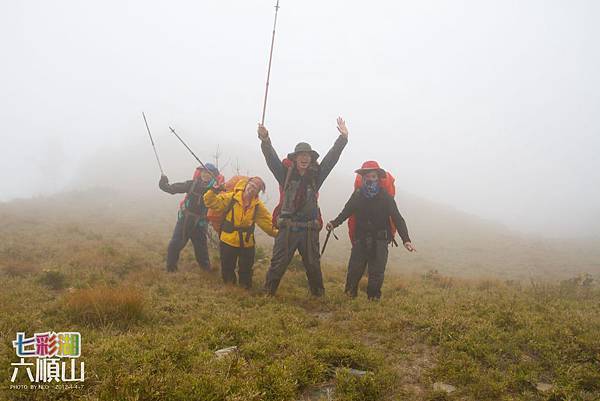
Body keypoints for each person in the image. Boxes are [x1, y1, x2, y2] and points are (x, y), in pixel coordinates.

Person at [257, 117, 349, 296]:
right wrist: (265, 140)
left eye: (308, 156)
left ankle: (318, 297)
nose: (305, 158)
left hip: (309, 229)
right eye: (301, 155)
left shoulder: (317, 176)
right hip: (288, 228)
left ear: (311, 159)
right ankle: (267, 294)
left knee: (313, 265)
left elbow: (331, 159)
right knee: (278, 264)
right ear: (295, 158)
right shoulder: (285, 174)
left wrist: (342, 139)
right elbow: (271, 158)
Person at [326, 161, 416, 300]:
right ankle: (349, 296)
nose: (370, 179)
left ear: (378, 178)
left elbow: (397, 218)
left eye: (373, 176)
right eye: (367, 176)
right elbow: (346, 212)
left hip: (380, 240)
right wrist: (334, 223)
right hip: (360, 238)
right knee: (354, 270)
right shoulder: (357, 195)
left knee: (376, 272)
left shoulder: (386, 197)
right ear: (362, 178)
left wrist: (406, 240)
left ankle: (373, 299)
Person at [204, 177, 277, 289]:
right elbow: (211, 202)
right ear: (246, 184)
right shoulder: (231, 197)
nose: (252, 189)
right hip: (228, 240)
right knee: (227, 268)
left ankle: (245, 290)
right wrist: (214, 190)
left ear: (258, 192)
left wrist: (280, 234)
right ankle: (230, 290)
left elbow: (267, 223)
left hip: (247, 243)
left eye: (256, 188)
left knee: (246, 269)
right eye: (251, 185)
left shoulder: (257, 206)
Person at [159, 163, 221, 272]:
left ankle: (207, 272)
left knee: (201, 250)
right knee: (175, 244)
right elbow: (173, 189)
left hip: (200, 224)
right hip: (185, 221)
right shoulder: (192, 184)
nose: (205, 174)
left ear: (213, 175)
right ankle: (171, 269)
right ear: (200, 173)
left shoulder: (216, 189)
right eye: (203, 172)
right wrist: (163, 184)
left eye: (208, 173)